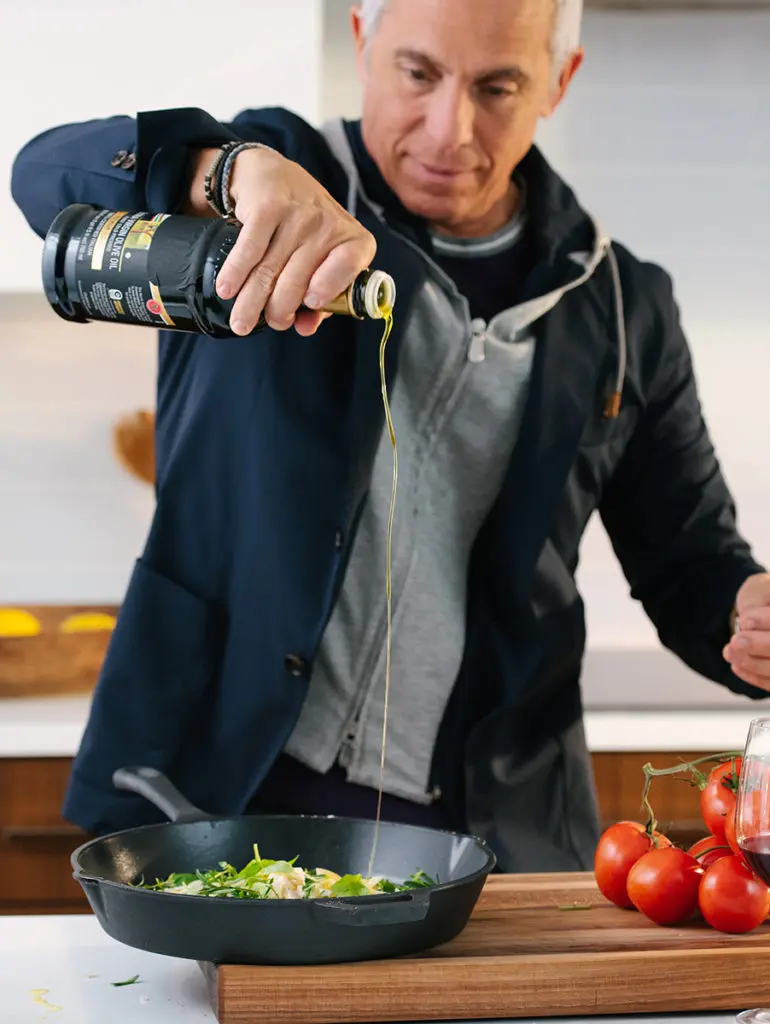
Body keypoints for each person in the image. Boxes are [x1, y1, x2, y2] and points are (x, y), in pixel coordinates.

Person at [11, 0, 770, 872]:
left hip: (489, 850)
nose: (450, 129)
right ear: (365, 44)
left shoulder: (624, 305)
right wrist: (229, 173)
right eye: (418, 74)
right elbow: (43, 178)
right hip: (210, 805)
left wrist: (743, 612)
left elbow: (692, 563)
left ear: (559, 81)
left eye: (497, 86)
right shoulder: (268, 187)